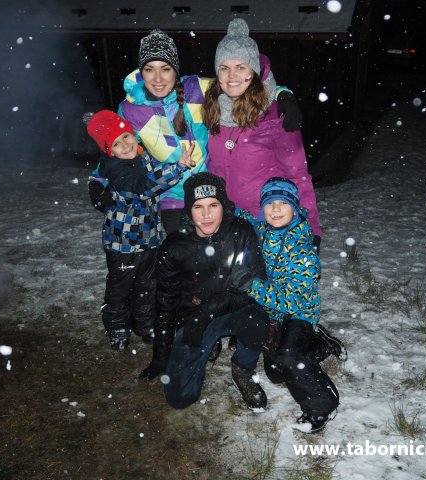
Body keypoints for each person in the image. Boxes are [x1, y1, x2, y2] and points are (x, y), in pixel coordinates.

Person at [115, 28, 302, 234]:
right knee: (180, 248)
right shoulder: (130, 109)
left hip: (210, 192)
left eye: (165, 69)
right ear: (141, 72)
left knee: (214, 250)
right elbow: (116, 148)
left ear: (176, 70)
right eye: (150, 69)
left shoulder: (197, 89)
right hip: (172, 196)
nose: (158, 78)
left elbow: (239, 84)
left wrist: (282, 94)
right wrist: (99, 180)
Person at [138, 172, 271, 411]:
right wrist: (161, 355)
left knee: (257, 318)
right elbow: (166, 302)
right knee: (179, 398)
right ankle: (210, 344)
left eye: (213, 205)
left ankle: (243, 368)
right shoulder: (175, 246)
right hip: (193, 319)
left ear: (224, 206)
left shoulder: (241, 232)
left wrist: (207, 312)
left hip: (234, 310)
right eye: (198, 207)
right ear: (189, 210)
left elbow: (255, 285)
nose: (206, 214)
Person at [236, 177, 345, 433]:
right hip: (272, 312)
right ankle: (322, 343)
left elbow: (291, 301)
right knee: (276, 373)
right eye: (269, 203)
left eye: (283, 203)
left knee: (289, 357)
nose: (275, 209)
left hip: (299, 312)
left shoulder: (303, 252)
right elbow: (244, 218)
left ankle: (322, 406)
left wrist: (251, 286)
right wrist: (224, 208)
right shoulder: (262, 229)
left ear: (294, 209)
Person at [202, 19, 323, 245]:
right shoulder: (211, 109)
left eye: (241, 67)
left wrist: (311, 229)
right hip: (225, 223)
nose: (232, 76)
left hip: (267, 225)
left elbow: (298, 175)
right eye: (224, 68)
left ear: (254, 71)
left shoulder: (275, 115)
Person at [86, 109, 192, 350]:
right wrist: (176, 168)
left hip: (149, 238)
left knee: (148, 285)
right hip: (123, 244)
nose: (125, 145)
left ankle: (145, 324)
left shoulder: (142, 156)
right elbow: (144, 186)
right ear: (109, 152)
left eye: (126, 136)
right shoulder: (117, 170)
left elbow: (153, 170)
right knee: (120, 287)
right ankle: (117, 326)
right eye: (116, 143)